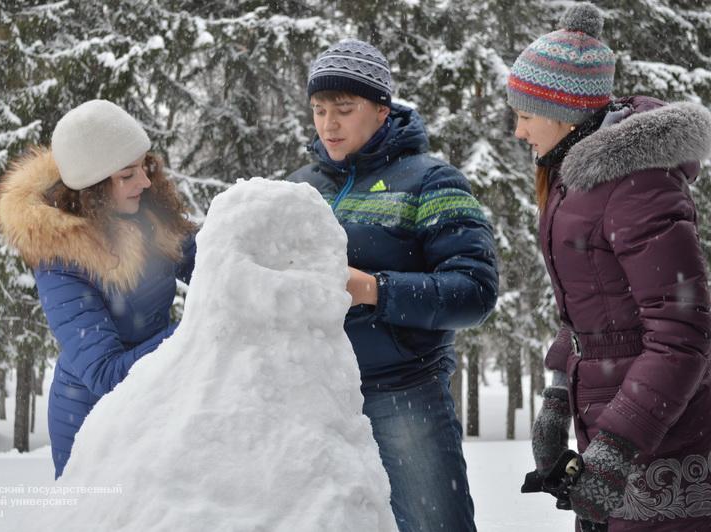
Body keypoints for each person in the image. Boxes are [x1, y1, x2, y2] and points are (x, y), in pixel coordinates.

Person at [508, 3, 711, 530]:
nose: (517, 131)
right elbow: (587, 314)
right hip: (605, 427)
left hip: (662, 441)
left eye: (525, 115)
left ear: (563, 112)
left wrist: (618, 445)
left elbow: (682, 333)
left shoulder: (639, 186)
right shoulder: (574, 183)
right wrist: (558, 393)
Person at [288, 39, 499, 532]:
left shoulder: (431, 181)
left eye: (344, 108)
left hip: (402, 394)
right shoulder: (300, 187)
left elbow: (474, 291)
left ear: (382, 111)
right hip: (313, 395)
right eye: (319, 110)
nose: (329, 124)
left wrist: (375, 290)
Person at [0, 100, 196, 479]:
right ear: (94, 187)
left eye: (144, 166)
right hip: (90, 420)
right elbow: (103, 372)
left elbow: (208, 263)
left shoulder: (145, 214)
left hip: (157, 397)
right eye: (127, 174)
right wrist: (198, 328)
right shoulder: (60, 258)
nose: (146, 182)